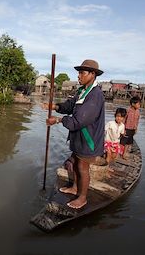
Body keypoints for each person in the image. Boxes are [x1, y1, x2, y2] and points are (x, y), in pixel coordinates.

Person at [42, 59, 105, 209]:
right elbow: (70, 106)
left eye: (82, 73)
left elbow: (79, 121)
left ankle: (82, 197)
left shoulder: (95, 95)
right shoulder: (82, 91)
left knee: (83, 167)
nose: (79, 76)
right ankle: (75, 188)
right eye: (79, 72)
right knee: (76, 164)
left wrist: (57, 120)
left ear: (93, 74)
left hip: (88, 139)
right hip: (78, 138)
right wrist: (55, 106)